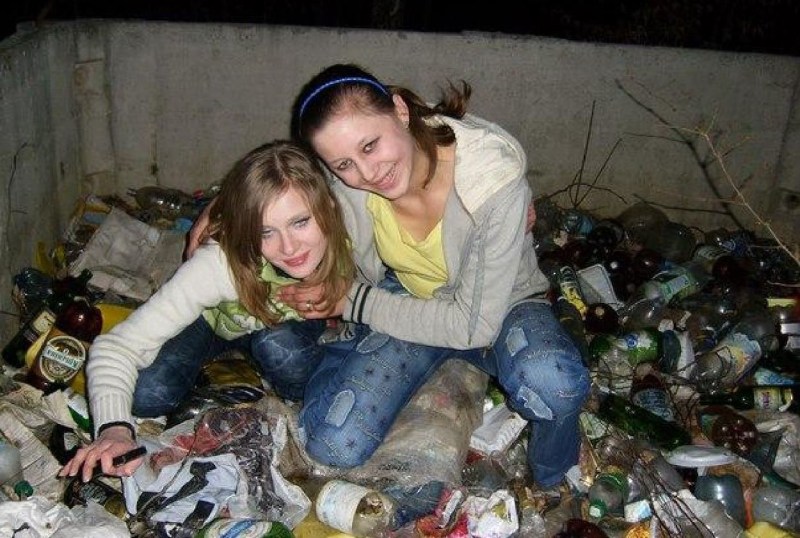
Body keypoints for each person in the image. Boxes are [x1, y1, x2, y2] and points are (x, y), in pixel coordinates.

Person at [190, 63, 590, 489]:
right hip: (410, 303)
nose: (367, 173)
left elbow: (473, 325)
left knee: (553, 382)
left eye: (370, 146)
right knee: (334, 446)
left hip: (500, 307)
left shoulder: (490, 177)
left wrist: (351, 302)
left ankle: (554, 478)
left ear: (400, 110)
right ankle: (347, 354)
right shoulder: (342, 171)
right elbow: (280, 177)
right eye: (344, 163)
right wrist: (220, 208)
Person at [59, 140, 355, 482]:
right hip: (218, 321)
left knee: (283, 352)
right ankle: (225, 373)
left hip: (288, 329)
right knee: (147, 393)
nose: (289, 248)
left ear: (328, 206)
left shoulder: (356, 229)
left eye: (300, 222)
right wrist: (113, 430)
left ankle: (278, 386)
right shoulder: (218, 265)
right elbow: (118, 347)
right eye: (266, 232)